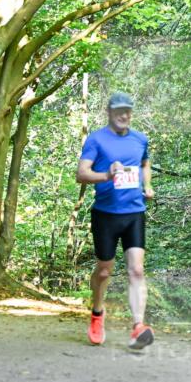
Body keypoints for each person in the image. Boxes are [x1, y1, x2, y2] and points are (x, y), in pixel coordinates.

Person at [75, 92, 155, 349]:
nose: (124, 115)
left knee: (137, 270)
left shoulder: (140, 139)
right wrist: (106, 176)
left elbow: (145, 164)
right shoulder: (96, 139)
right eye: (119, 111)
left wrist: (148, 185)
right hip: (106, 214)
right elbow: (81, 174)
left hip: (134, 212)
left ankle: (138, 326)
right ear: (109, 112)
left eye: (127, 111)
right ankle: (97, 312)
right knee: (104, 270)